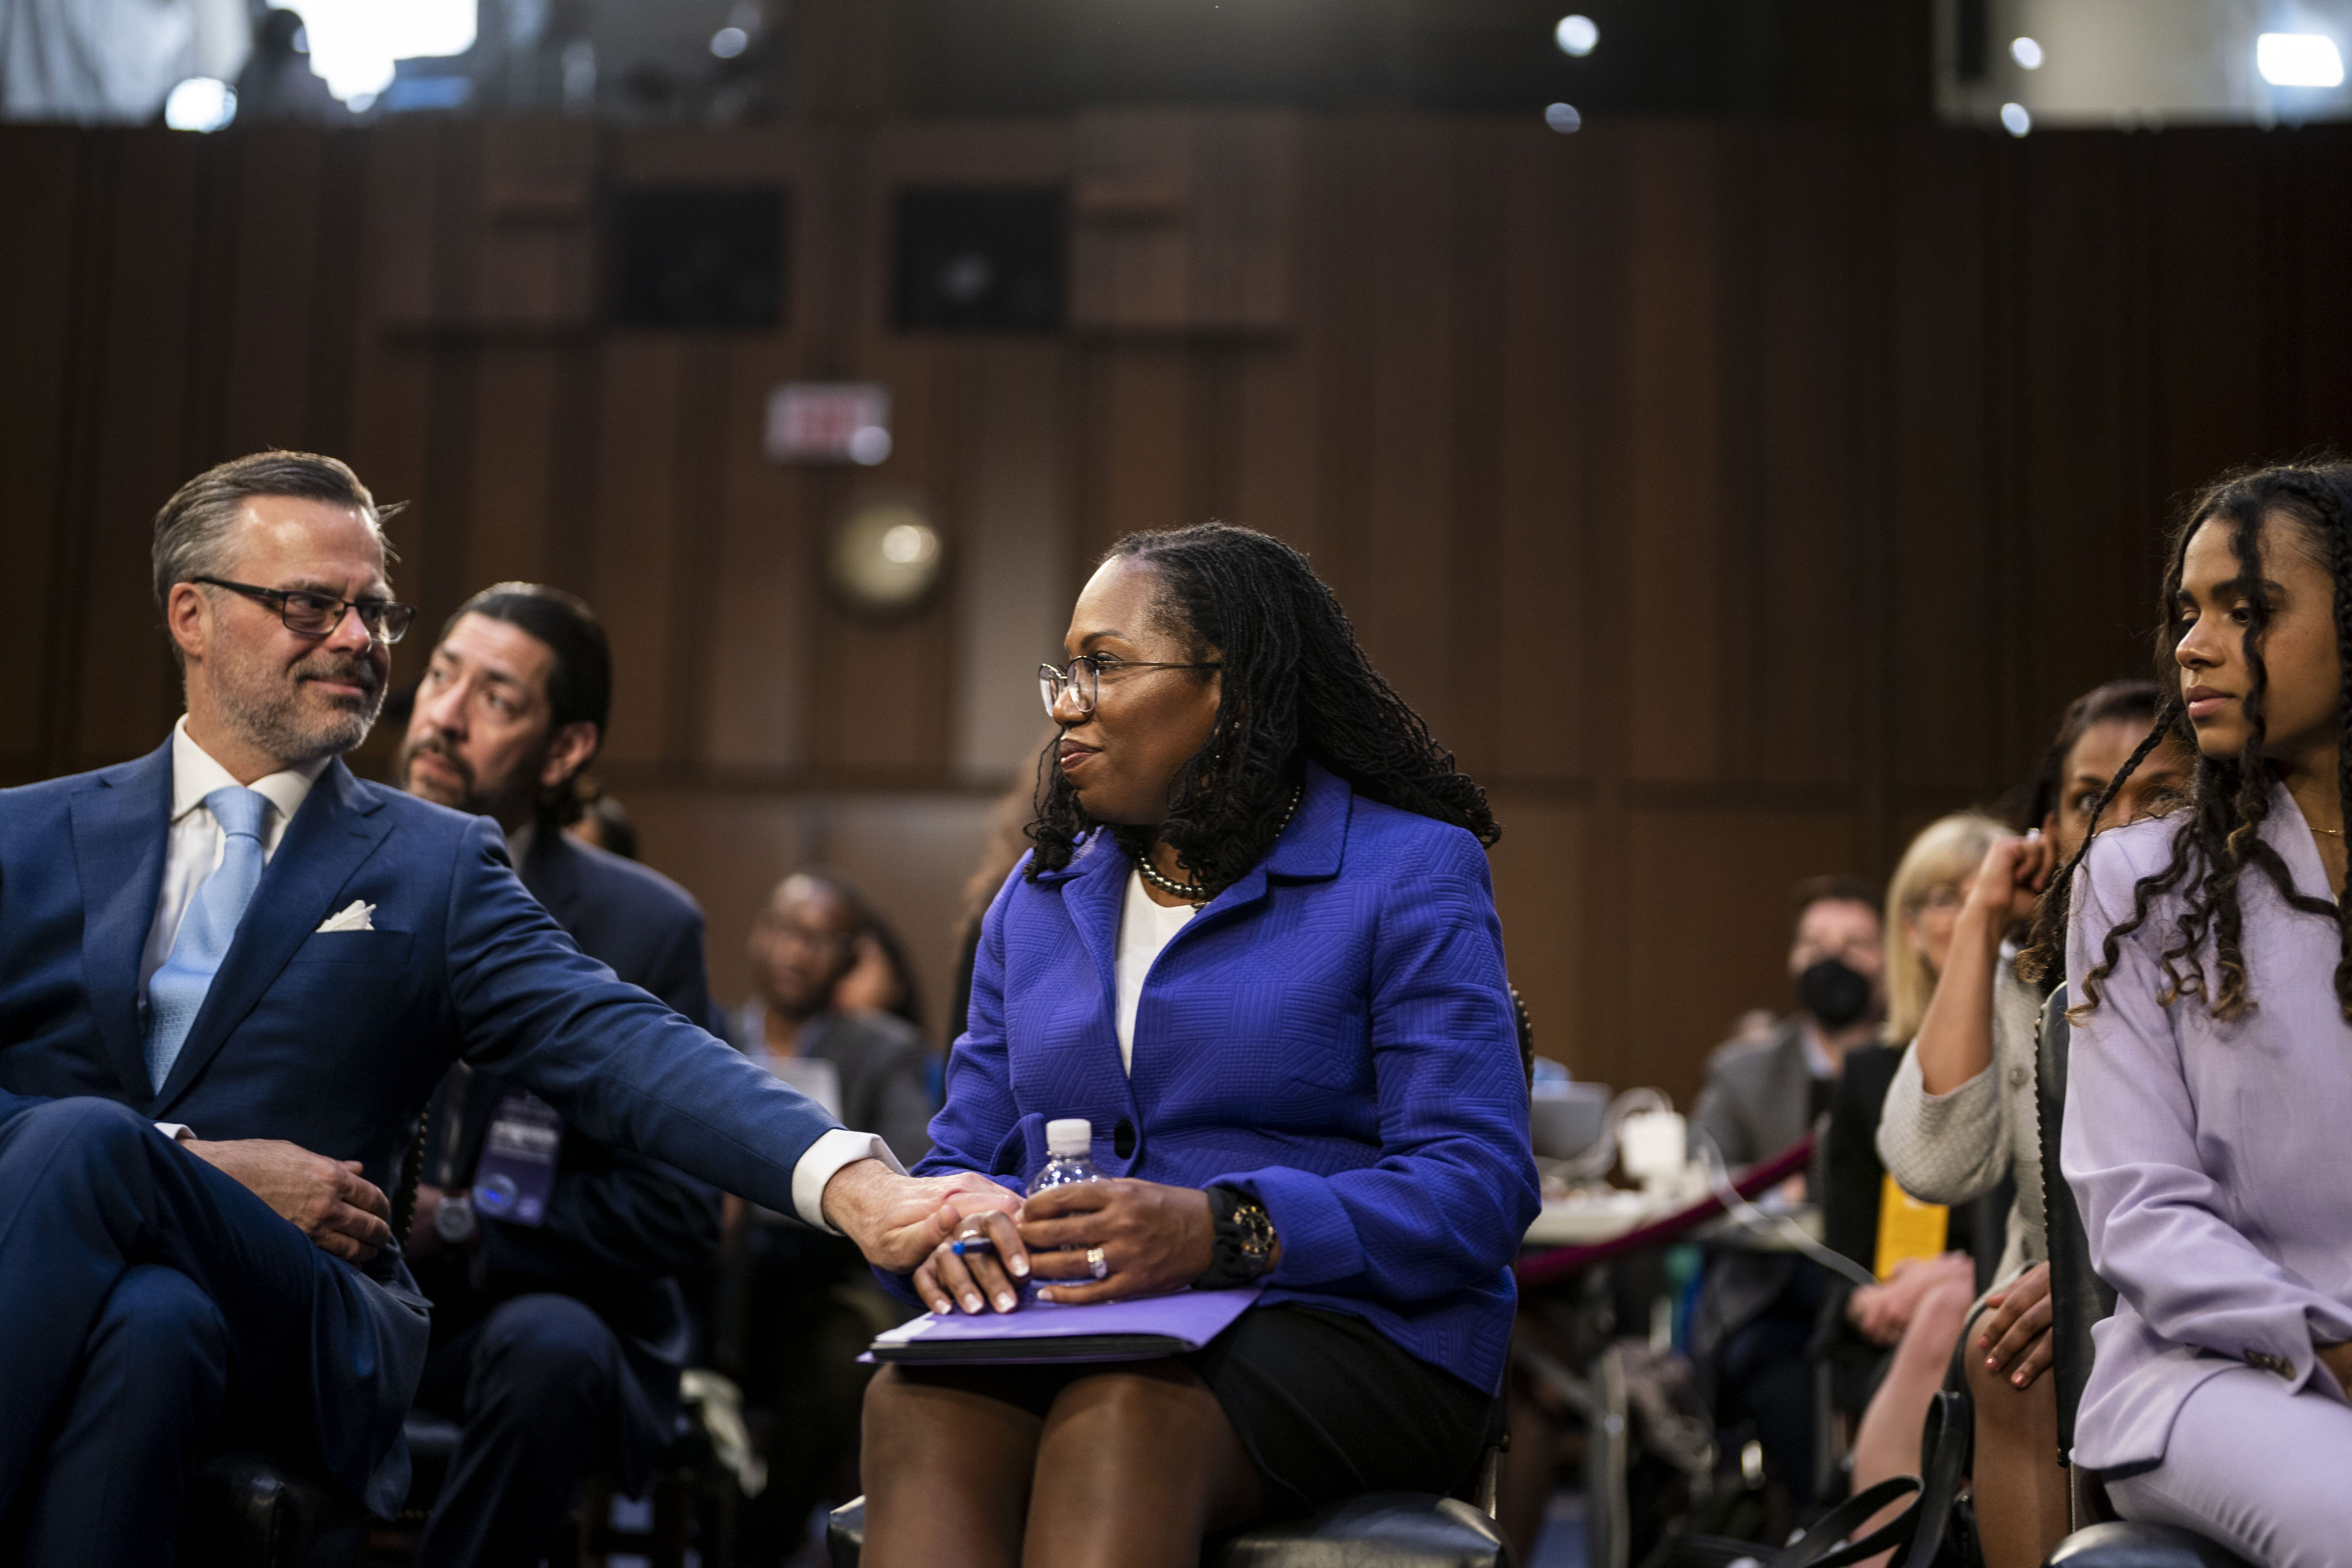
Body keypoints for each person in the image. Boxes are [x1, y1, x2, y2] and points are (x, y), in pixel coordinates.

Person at [0, 451, 1011, 1562]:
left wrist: (855, 1184)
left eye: (375, 610)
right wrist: (194, 1164)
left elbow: (616, 1041)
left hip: (303, 1316)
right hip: (102, 1298)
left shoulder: (434, 865)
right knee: (152, 1325)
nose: (360, 640)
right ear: (191, 615)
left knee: (91, 1139)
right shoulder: (27, 837)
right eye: (310, 606)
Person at [858, 522, 1538, 1568]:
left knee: (1126, 1410)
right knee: (914, 1399)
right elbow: (966, 1157)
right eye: (1064, 671)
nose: (1065, 704)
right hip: (1075, 1322)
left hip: (1349, 1328)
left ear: (1232, 688)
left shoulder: (1407, 872)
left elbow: (1476, 1186)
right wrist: (958, 1235)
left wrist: (1228, 1230)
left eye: (1104, 667)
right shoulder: (1036, 902)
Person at [2021, 461, 2352, 1568]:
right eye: (2188, 612)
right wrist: (2332, 1343)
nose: (2192, 645)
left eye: (2246, 611)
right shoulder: (2139, 883)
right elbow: (2141, 1216)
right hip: (2214, 1375)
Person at [391, 582, 724, 1566]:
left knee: (550, 1348)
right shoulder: (315, 874)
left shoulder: (642, 929)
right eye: (441, 677)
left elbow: (678, 1211)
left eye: (495, 699)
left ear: (566, 750)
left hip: (525, 1321)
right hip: (341, 1296)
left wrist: (459, 1220)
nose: (443, 717)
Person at [1878, 679, 2191, 1568]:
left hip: (2201, 1283)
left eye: (2158, 795)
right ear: (2045, 829)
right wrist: (1978, 918)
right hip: (2035, 1308)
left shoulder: (2238, 963)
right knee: (2007, 1347)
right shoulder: (2029, 986)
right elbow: (1929, 1162)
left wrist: (2098, 1276)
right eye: (2089, 798)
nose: (2117, 825)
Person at [1819, 814, 2007, 1557]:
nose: (1963, 914)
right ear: (1907, 925)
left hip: (1997, 1305)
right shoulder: (1867, 1075)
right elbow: (1843, 1261)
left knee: (1951, 1304)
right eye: (1941, 897)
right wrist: (1876, 1294)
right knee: (1932, 1312)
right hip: (1887, 1331)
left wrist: (1946, 1278)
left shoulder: (2037, 1049)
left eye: (1981, 892)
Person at [1688, 875, 1886, 1514]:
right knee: (1777, 1374)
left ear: (1889, 957)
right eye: (1817, 943)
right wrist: (1773, 1184)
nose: (1835, 959)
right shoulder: (1743, 1070)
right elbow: (1703, 1167)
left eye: (1856, 943)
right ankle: (1816, 1532)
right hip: (1771, 1297)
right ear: (1794, 958)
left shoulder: (1916, 1059)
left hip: (1885, 1285)